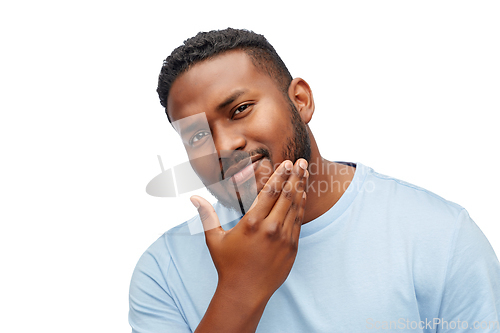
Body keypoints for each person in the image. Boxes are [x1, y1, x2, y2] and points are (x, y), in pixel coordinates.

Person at [129, 28, 500, 332]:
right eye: (197, 137)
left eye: (240, 110)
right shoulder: (163, 271)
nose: (224, 145)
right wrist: (239, 291)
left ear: (300, 101)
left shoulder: (441, 236)